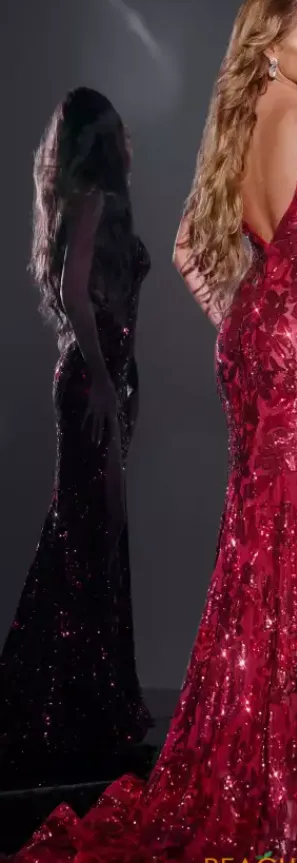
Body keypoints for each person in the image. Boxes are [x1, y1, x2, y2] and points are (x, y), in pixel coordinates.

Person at [14, 3, 297, 861]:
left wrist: (245, 318)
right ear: (269, 42)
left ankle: (258, 756)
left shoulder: (234, 126)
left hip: (252, 341)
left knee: (259, 541)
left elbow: (189, 246)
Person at [0, 87, 152, 771]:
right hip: (94, 385)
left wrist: (117, 380)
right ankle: (72, 704)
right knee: (89, 533)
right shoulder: (94, 200)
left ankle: (77, 701)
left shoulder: (93, 200)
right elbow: (72, 290)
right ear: (101, 140)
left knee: (92, 531)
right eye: (118, 130)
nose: (128, 141)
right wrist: (102, 378)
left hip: (105, 381)